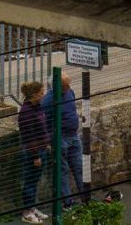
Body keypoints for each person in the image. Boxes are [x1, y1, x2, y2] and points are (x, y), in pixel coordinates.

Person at [42, 73, 85, 207]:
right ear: (58, 86)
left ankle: (85, 198)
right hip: (60, 139)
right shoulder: (48, 101)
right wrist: (49, 141)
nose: (69, 86)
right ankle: (68, 203)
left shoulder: (69, 92)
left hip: (73, 136)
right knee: (63, 171)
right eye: (66, 85)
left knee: (79, 168)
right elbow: (44, 123)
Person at [17, 81, 49, 224]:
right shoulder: (27, 112)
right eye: (42, 93)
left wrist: (46, 144)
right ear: (35, 94)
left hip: (40, 148)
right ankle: (27, 212)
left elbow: (41, 129)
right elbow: (29, 135)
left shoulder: (36, 107)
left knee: (34, 181)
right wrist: (35, 155)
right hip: (32, 152)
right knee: (30, 181)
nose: (44, 95)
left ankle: (32, 207)